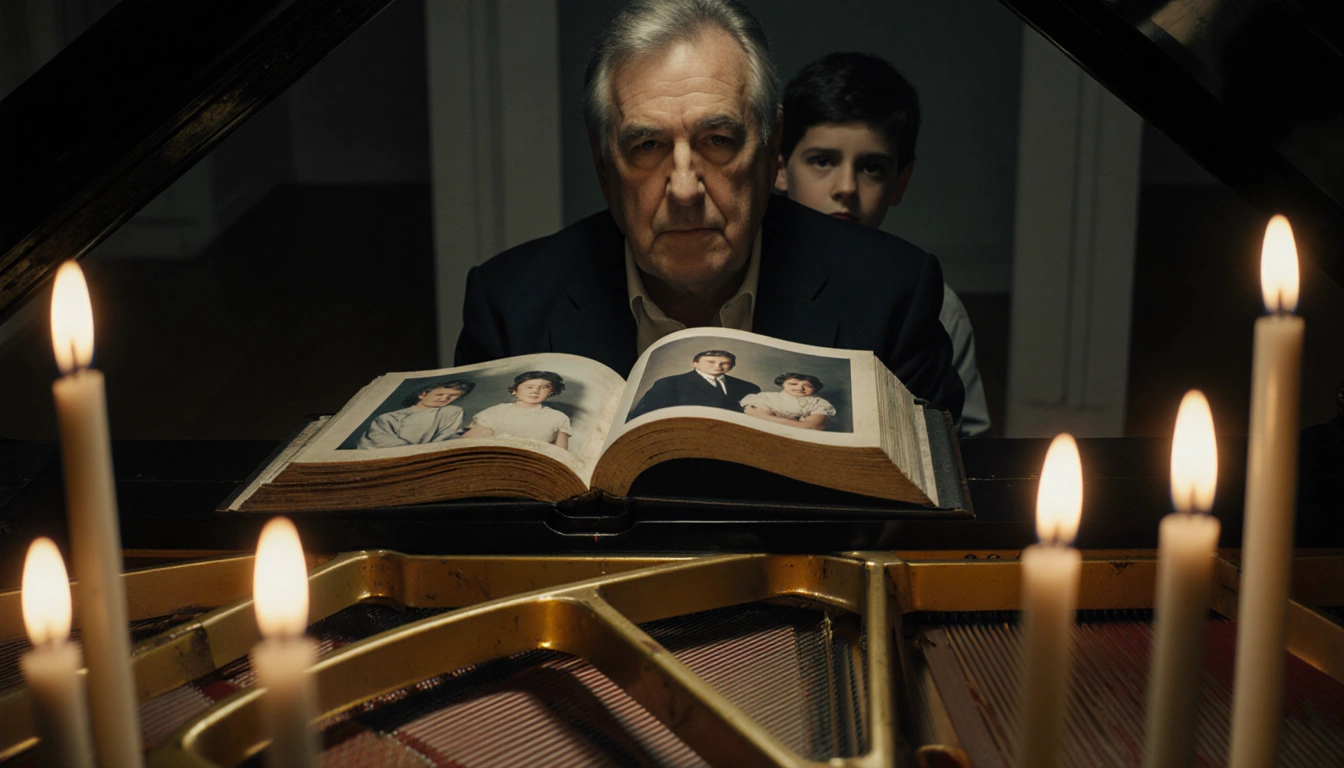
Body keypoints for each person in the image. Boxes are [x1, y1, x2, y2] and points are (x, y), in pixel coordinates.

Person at [455, 0, 964, 422]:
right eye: (648, 145)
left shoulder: (893, 294)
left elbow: (926, 522)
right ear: (603, 164)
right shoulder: (509, 308)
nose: (683, 188)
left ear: (771, 148)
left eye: (718, 141)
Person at [773, 52, 990, 437]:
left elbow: (961, 445)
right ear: (778, 167)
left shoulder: (932, 306)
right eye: (822, 161)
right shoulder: (746, 273)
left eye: (872, 167)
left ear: (900, 181)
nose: (846, 188)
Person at [627, 349, 760, 420]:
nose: (718, 366)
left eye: (724, 363)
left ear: (732, 366)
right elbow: (645, 417)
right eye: (711, 362)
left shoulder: (749, 387)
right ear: (695, 363)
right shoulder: (670, 383)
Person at [460, 371, 572, 449]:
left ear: (551, 392)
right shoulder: (497, 411)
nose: (535, 391)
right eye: (529, 387)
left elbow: (561, 452)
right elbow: (468, 441)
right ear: (515, 390)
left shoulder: (558, 417)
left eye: (544, 387)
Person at [357, 380, 474, 449]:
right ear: (422, 394)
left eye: (452, 396)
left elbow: (448, 436)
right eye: (439, 394)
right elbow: (378, 438)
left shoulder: (450, 411)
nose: (444, 398)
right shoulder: (389, 417)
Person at [741, 372, 836, 430]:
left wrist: (769, 417)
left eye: (808, 386)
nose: (800, 388)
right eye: (793, 384)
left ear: (815, 389)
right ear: (783, 385)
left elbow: (813, 427)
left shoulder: (818, 403)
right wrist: (798, 423)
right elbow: (758, 419)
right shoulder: (767, 397)